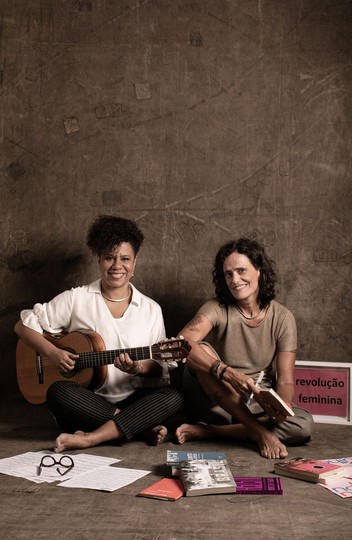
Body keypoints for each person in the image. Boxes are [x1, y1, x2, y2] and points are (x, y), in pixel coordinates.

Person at [14, 215, 184, 452]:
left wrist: (137, 368)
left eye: (125, 258)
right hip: (87, 402)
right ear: (99, 259)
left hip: (132, 397)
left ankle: (91, 438)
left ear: (135, 262)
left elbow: (159, 368)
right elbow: (22, 327)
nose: (117, 265)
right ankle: (135, 425)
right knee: (57, 391)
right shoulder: (77, 298)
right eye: (109, 257)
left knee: (173, 396)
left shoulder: (151, 309)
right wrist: (52, 352)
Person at [175, 237, 313, 459]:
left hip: (257, 404)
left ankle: (211, 433)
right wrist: (227, 373)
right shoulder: (216, 308)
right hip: (217, 401)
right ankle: (257, 431)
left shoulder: (283, 317)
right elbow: (182, 342)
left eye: (241, 271)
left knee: (302, 425)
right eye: (228, 274)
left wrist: (280, 410)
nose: (235, 280)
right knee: (200, 349)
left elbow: (286, 379)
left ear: (259, 270)